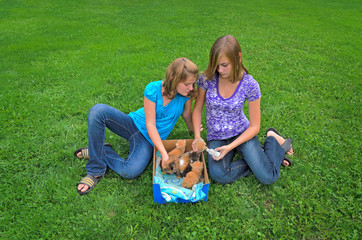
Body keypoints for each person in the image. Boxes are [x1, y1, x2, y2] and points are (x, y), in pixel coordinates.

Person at [75, 58, 199, 194]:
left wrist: (194, 130)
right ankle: (95, 170)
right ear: (173, 79)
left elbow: (187, 115)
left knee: (129, 171)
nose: (191, 88)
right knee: (98, 111)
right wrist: (164, 153)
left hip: (147, 141)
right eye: (187, 84)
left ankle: (100, 151)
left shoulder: (186, 96)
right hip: (132, 124)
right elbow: (150, 124)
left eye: (193, 84)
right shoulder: (153, 89)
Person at [192, 35, 294, 185]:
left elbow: (254, 126)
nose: (219, 70)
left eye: (224, 65)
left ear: (238, 58)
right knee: (218, 174)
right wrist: (197, 136)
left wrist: (230, 147)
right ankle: (264, 156)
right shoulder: (207, 78)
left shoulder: (250, 84)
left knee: (269, 176)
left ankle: (272, 138)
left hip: (242, 133)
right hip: (216, 136)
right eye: (216, 65)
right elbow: (197, 109)